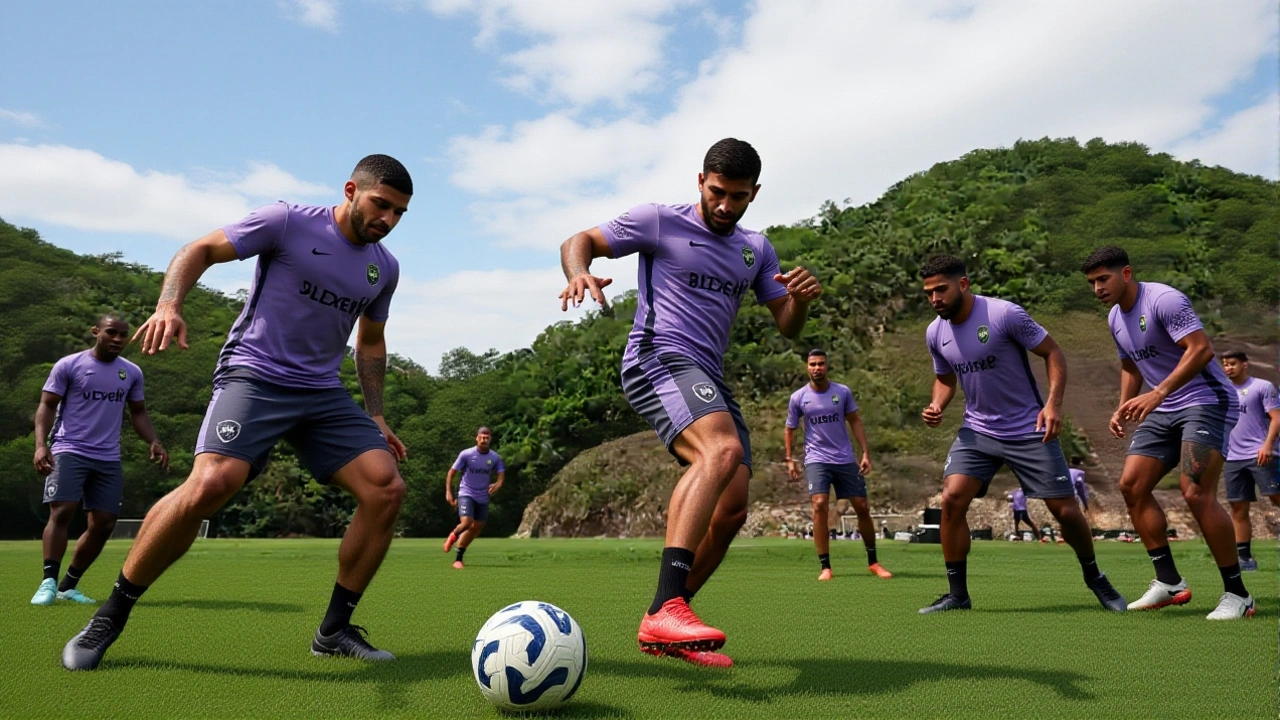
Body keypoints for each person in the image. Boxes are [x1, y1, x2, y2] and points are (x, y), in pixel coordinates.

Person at [61, 155, 413, 671]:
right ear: (351, 190)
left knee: (387, 487)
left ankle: (334, 630)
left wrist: (377, 415)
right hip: (255, 374)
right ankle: (108, 618)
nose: (387, 219)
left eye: (399, 213)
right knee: (210, 485)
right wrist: (169, 304)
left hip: (320, 392)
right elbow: (198, 249)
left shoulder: (385, 267)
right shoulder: (287, 221)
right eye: (380, 204)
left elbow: (372, 342)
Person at [558, 138, 821, 668]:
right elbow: (580, 238)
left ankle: (663, 622)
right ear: (700, 181)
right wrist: (577, 272)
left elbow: (788, 328)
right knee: (719, 452)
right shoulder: (658, 220)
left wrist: (799, 301)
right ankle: (669, 608)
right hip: (658, 356)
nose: (726, 206)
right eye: (718, 192)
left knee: (732, 508)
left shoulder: (756, 249)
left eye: (739, 197)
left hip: (708, 376)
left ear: (755, 194)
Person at [918, 255, 1124, 614]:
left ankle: (1095, 576)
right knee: (951, 499)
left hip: (1028, 427)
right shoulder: (935, 332)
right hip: (977, 430)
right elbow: (945, 379)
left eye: (941, 289)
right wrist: (937, 404)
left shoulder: (1003, 314)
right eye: (928, 293)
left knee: (1064, 510)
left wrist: (1053, 406)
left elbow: (1053, 352)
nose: (934, 299)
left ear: (962, 285)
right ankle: (958, 595)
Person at [1081, 245, 1251, 619]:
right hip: (1165, 407)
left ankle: (1238, 594)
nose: (1098, 289)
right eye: (1092, 283)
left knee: (1195, 491)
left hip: (1207, 400)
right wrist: (1124, 405)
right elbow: (1130, 365)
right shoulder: (1114, 318)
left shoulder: (1164, 300)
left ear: (1125, 274)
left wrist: (1157, 393)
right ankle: (1169, 581)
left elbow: (1202, 350)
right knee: (1131, 486)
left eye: (1103, 279)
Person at [31, 314, 168, 607]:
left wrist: (153, 441)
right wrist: (41, 446)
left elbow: (138, 412)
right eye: (111, 333)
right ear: (96, 331)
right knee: (63, 511)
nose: (118, 339)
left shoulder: (131, 372)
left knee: (104, 523)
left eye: (123, 334)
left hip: (107, 456)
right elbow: (47, 405)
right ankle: (48, 583)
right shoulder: (69, 365)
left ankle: (68, 586)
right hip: (69, 448)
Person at [784, 349, 891, 580]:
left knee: (861, 506)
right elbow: (790, 428)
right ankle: (826, 567)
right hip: (816, 459)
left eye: (821, 364)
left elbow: (855, 421)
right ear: (807, 367)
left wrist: (865, 453)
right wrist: (790, 459)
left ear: (827, 366)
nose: (817, 368)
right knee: (819, 504)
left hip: (844, 458)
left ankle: (873, 562)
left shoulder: (842, 392)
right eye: (812, 364)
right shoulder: (798, 397)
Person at [1220, 350, 1279, 572]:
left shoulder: (1262, 387)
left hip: (1260, 453)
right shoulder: (1222, 390)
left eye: (1232, 364)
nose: (1228, 368)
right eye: (1225, 364)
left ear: (1245, 364)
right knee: (1238, 506)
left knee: (1275, 496)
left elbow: (1277, 418)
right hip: (1232, 457)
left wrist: (1267, 445)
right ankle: (1244, 558)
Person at [443, 427, 505, 569]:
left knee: (476, 527)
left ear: (490, 439)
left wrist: (498, 484)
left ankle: (458, 559)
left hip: (482, 496)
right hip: (466, 493)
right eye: (481, 437)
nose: (484, 440)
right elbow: (451, 473)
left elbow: (501, 474)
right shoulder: (466, 454)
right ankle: (452, 536)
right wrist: (448, 492)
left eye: (487, 438)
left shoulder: (494, 457)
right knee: (466, 522)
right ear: (477, 438)